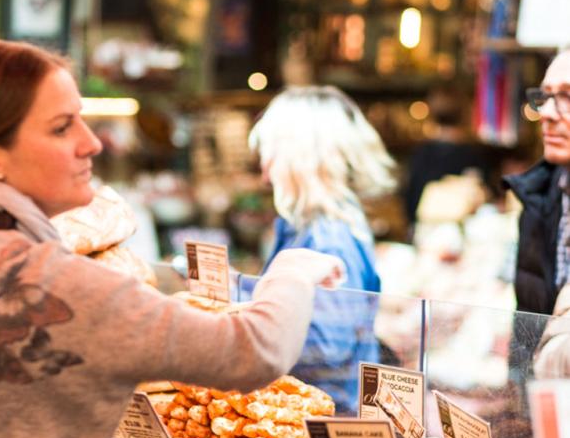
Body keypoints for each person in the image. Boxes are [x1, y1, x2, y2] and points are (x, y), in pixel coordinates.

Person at [0, 38, 345, 438]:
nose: (93, 142)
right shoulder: (50, 287)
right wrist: (292, 271)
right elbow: (251, 351)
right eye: (63, 127)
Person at [241, 85, 396, 415]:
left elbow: (325, 350)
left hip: (326, 421)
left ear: (298, 157)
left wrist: (239, 308)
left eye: (270, 151)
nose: (265, 170)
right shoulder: (304, 226)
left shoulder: (329, 236)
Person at [504, 49, 570, 389]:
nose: (545, 112)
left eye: (567, 97)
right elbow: (526, 331)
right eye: (545, 96)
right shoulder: (538, 197)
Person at [404, 85, 491, 228]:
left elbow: (409, 199)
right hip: (462, 234)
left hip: (426, 232)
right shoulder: (473, 154)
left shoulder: (421, 153)